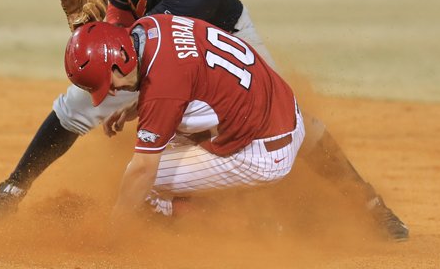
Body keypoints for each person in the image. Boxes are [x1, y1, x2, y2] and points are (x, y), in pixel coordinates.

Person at [0, 0, 408, 241]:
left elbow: (156, 59)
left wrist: (89, 40)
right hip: (158, 45)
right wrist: (100, 32)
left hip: (224, 39)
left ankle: (368, 204)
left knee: (290, 115)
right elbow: (124, 19)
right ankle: (13, 189)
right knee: (79, 104)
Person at [64, 17, 306, 222]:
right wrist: (140, 106)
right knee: (166, 141)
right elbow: (187, 73)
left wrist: (111, 237)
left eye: (108, 83)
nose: (112, 92)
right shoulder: (150, 26)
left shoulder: (163, 88)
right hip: (283, 109)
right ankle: (220, 203)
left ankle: (215, 226)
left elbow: (143, 172)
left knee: (143, 182)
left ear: (122, 58)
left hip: (263, 154)